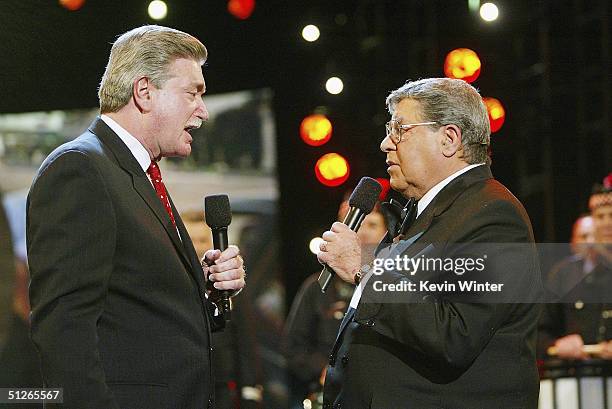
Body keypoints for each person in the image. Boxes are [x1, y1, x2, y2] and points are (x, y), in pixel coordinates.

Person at [26, 25, 245, 409]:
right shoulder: (80, 169)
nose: (203, 111)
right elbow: (65, 329)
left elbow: (142, 317)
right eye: (193, 93)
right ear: (144, 92)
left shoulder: (138, 172)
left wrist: (209, 292)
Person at [317, 78, 542, 409]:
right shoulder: (420, 214)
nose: (385, 144)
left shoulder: (493, 215)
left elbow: (454, 334)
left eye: (400, 129)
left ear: (449, 139)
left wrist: (363, 268)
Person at [284, 199, 387, 408]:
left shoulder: (397, 287)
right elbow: (293, 347)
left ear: (387, 232)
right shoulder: (317, 287)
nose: (364, 232)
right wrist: (325, 368)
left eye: (373, 225)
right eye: (359, 224)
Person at [539, 175, 612, 360]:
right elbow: (539, 330)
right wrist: (556, 345)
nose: (606, 223)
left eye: (611, 216)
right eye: (600, 216)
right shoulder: (565, 274)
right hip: (576, 379)